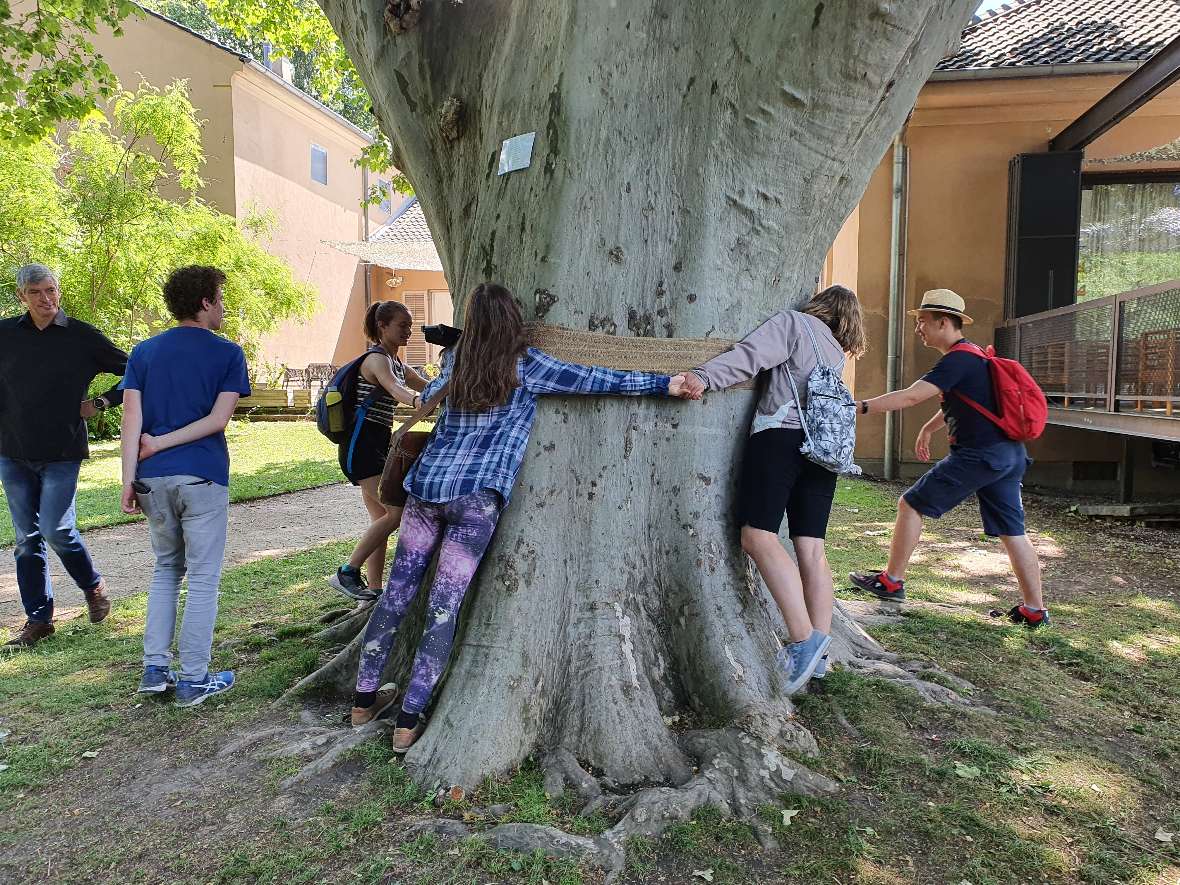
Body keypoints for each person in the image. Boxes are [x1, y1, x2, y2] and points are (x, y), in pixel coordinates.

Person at [349, 282, 690, 749]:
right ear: (514, 322)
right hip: (476, 501)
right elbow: (597, 379)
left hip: (427, 491)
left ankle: (363, 702)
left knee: (396, 595)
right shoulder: (528, 366)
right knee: (443, 606)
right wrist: (664, 383)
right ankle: (407, 722)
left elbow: (429, 394)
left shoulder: (454, 362)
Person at [679, 285, 868, 693]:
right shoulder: (835, 351)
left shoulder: (794, 324)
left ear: (817, 307)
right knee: (812, 549)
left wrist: (703, 376)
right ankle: (819, 655)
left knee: (757, 536)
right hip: (824, 450)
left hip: (780, 440)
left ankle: (804, 641)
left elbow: (750, 357)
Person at [848, 288, 1048, 628]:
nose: (918, 329)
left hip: (981, 456)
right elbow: (965, 402)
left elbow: (912, 397)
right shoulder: (974, 357)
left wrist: (861, 406)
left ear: (943, 322)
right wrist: (929, 428)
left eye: (923, 322)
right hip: (1008, 456)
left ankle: (891, 581)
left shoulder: (959, 359)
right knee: (1013, 531)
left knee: (911, 504)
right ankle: (1034, 611)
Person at [119, 265, 252, 706]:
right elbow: (217, 420)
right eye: (220, 297)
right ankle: (194, 679)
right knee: (203, 580)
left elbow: (130, 421)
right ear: (204, 302)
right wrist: (160, 444)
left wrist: (128, 479)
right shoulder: (228, 354)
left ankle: (154, 670)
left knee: (165, 571)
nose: (224, 307)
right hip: (202, 476)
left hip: (152, 483)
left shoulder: (144, 351)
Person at [0, 263, 127, 648]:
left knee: (56, 529)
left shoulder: (81, 336)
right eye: (36, 292)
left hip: (63, 451)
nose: (46, 298)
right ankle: (39, 620)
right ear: (22, 296)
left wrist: (104, 401)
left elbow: (138, 369)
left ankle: (93, 586)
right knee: (26, 538)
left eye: (51, 290)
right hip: (12, 452)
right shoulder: (5, 334)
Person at [330, 301, 428, 602]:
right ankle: (346, 572)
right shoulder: (376, 360)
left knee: (380, 518)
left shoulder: (397, 362)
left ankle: (373, 590)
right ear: (382, 326)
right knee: (395, 512)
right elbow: (395, 388)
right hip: (361, 447)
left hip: (376, 446)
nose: (408, 332)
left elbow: (428, 386)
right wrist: (415, 401)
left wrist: (449, 392)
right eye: (402, 326)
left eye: (410, 326)